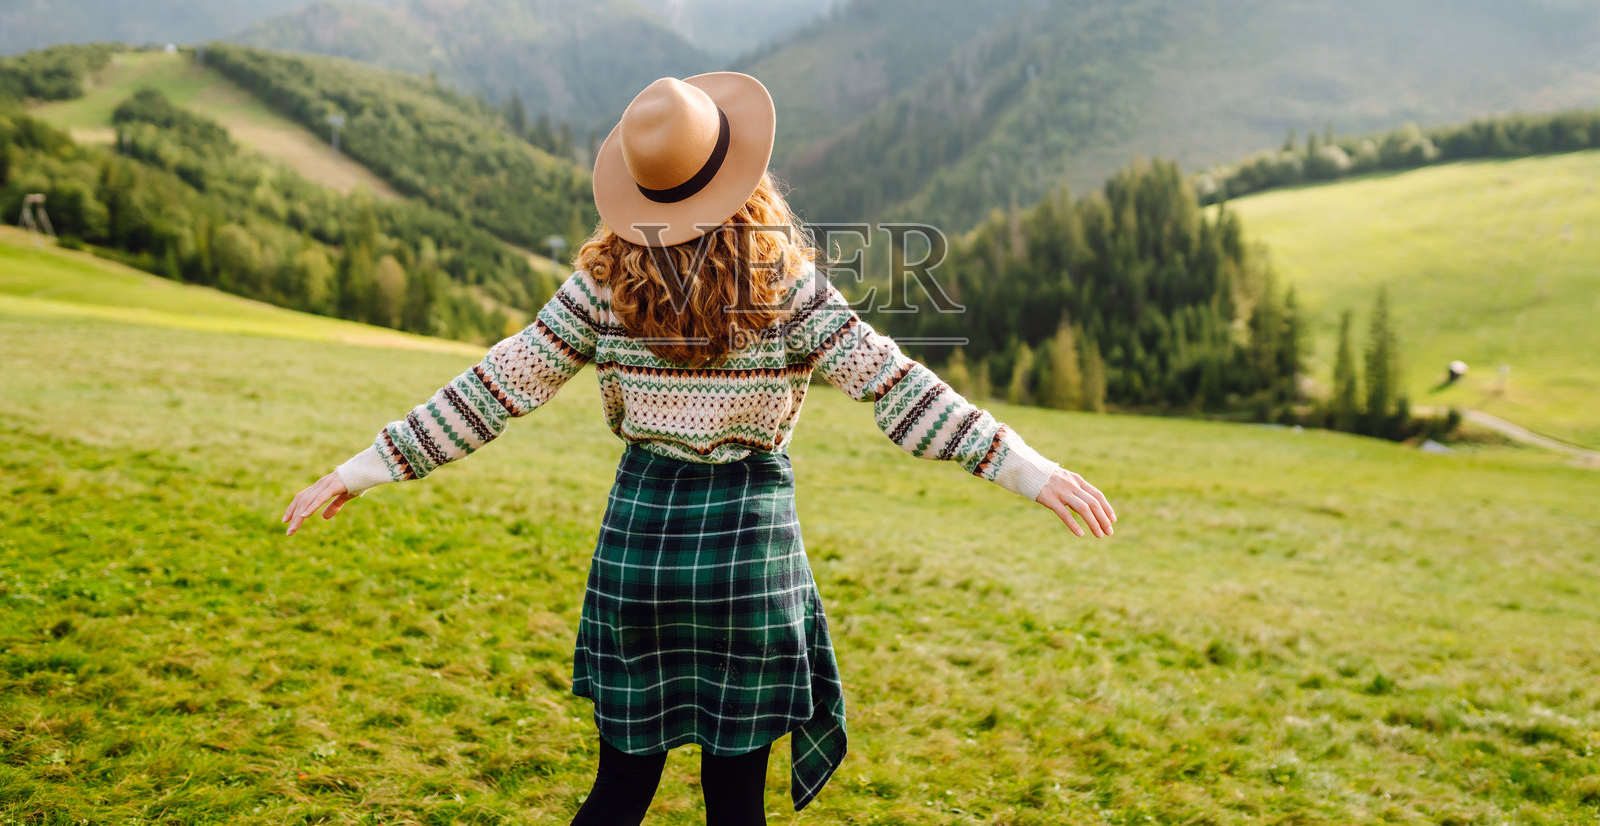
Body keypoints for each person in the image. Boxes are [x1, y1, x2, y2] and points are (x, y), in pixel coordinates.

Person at [282, 72, 1116, 825]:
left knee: (620, 789)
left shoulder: (603, 282)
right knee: (733, 806)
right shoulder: (785, 284)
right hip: (747, 560)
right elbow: (897, 386)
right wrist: (1026, 469)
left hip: (639, 552)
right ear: (741, 176)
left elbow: (499, 384)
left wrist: (369, 464)